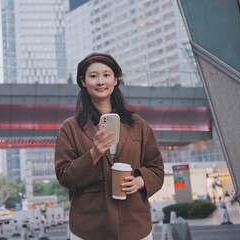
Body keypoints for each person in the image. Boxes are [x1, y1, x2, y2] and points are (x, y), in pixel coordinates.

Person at [55, 52, 164, 240]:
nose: (100, 81)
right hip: (89, 227)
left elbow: (157, 169)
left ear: (116, 79)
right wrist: (94, 153)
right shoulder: (70, 128)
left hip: (135, 224)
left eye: (106, 75)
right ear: (83, 81)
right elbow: (64, 176)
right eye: (93, 76)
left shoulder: (138, 125)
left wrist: (140, 181)